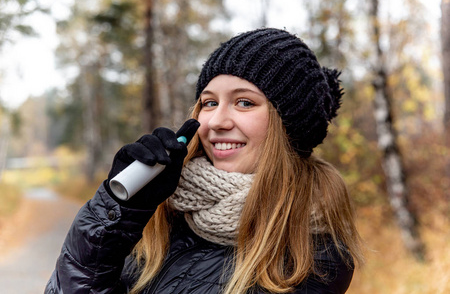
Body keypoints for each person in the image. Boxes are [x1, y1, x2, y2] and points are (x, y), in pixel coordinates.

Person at [46, 27, 363, 294]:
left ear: (290, 127)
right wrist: (116, 212)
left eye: (243, 102)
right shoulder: (163, 217)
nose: (215, 121)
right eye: (209, 102)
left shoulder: (310, 259)